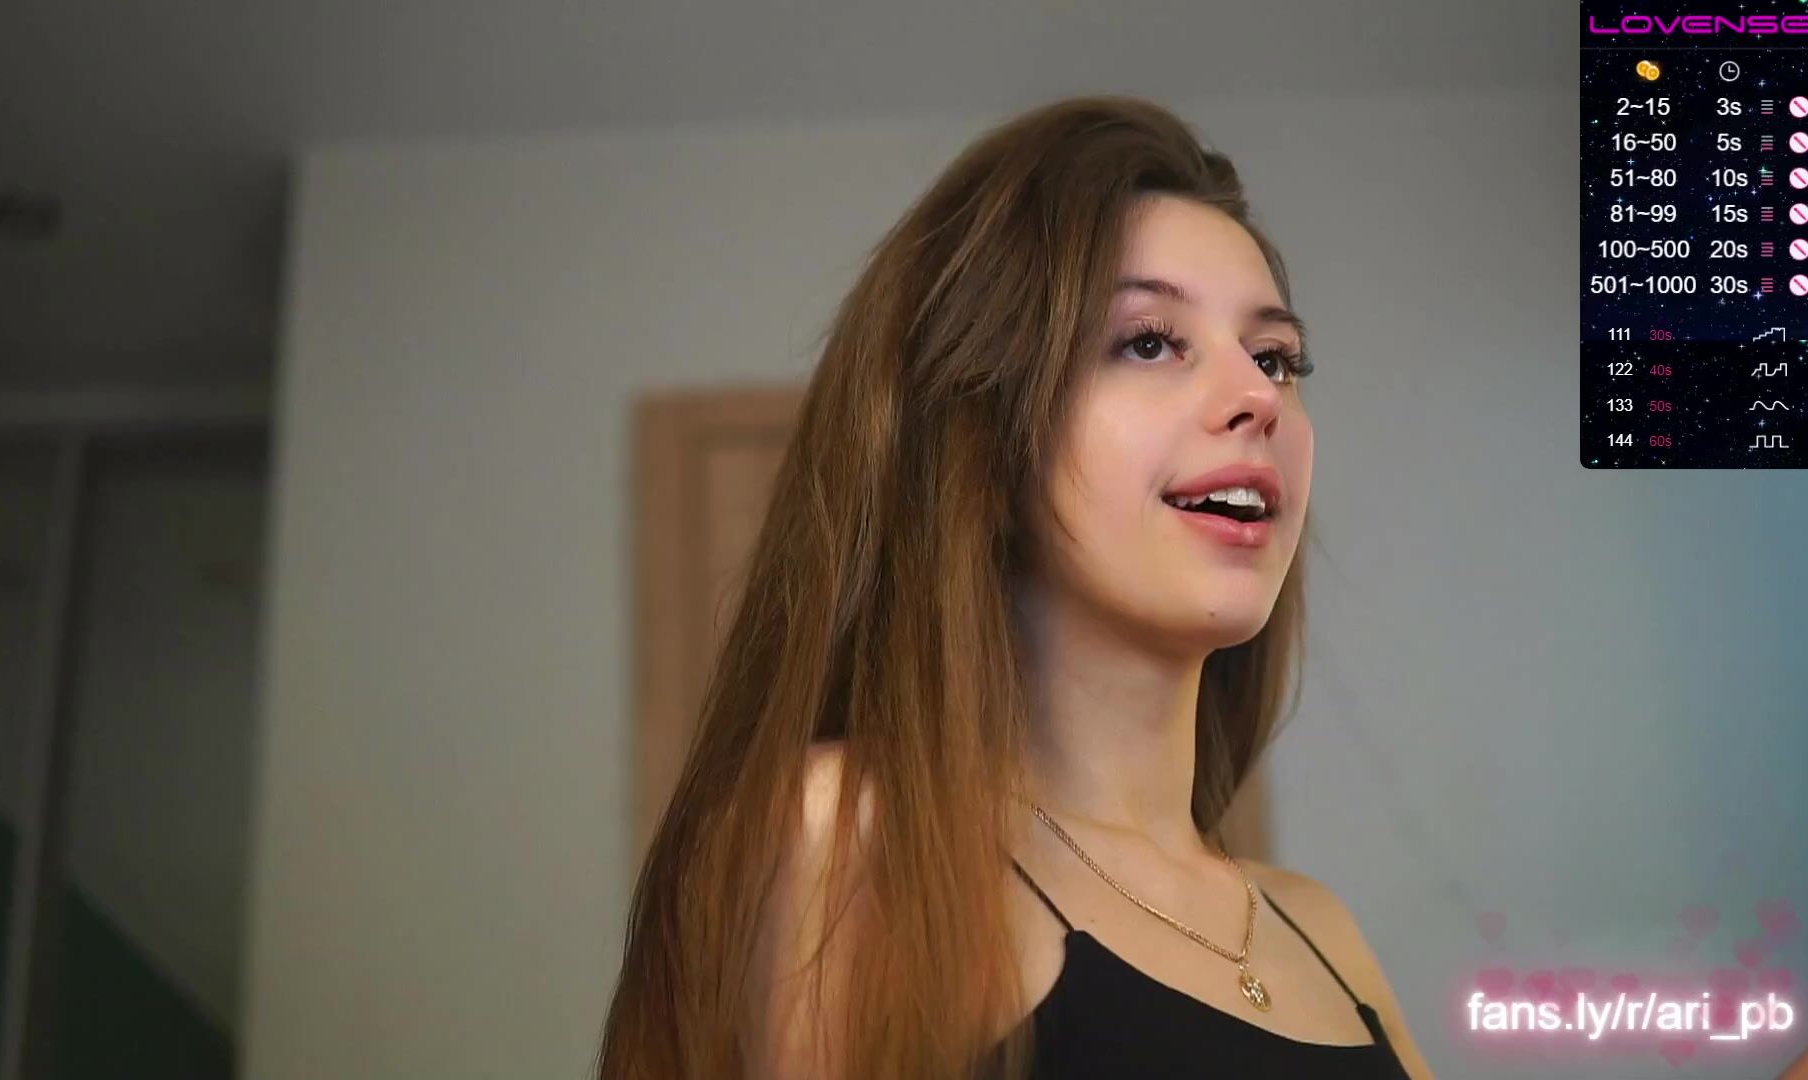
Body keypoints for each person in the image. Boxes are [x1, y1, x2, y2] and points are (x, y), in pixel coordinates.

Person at [597, 94, 1432, 1079]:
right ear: (984, 438)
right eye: (1149, 341)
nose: (1257, 396)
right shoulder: (850, 843)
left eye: (1276, 356)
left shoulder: (1321, 933)